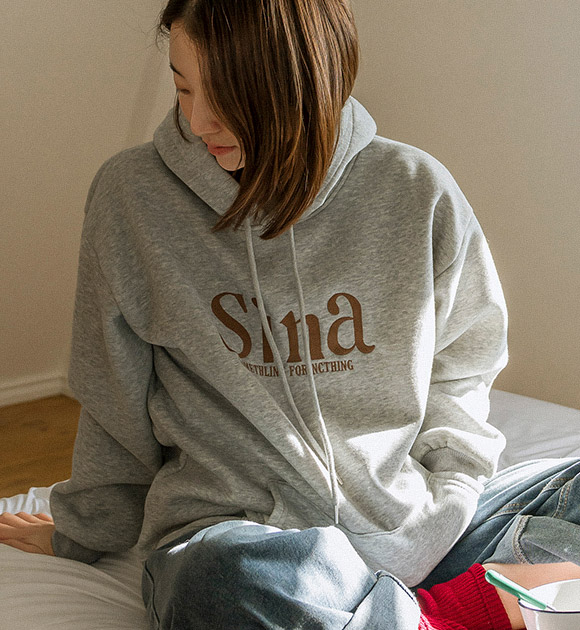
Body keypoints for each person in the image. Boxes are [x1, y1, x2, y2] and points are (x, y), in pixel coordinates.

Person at [2, 1, 580, 628]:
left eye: (228, 95)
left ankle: (409, 613)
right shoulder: (132, 197)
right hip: (248, 539)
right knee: (214, 579)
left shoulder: (416, 188)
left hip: (416, 530)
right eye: (183, 87)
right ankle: (454, 612)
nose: (198, 121)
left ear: (305, 83)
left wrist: (452, 490)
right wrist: (84, 528)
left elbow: (464, 363)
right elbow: (113, 392)